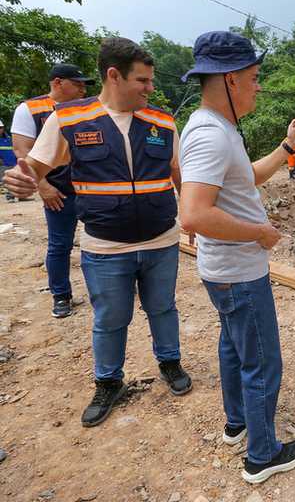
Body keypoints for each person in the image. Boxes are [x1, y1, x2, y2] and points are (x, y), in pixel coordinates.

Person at [3, 38, 192, 428]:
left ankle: (170, 363)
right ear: (113, 75)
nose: (150, 88)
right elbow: (35, 167)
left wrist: (192, 216)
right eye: (142, 80)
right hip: (105, 248)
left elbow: (178, 174)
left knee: (163, 308)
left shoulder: (162, 121)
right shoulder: (69, 119)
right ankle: (108, 382)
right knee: (110, 318)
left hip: (161, 242)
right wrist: (24, 181)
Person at [178, 31, 295, 485]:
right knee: (262, 361)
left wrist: (287, 149)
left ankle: (237, 423)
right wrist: (259, 232)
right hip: (238, 271)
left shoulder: (218, 128)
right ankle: (262, 454)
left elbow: (245, 179)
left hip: (225, 271)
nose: (259, 86)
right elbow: (194, 213)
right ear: (230, 80)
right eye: (254, 78)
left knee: (235, 347)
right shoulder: (210, 135)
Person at [10, 63, 94, 316]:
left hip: (90, 188)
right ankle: (61, 296)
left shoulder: (86, 109)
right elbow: (22, 151)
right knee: (60, 245)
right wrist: (43, 187)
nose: (82, 89)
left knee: (99, 241)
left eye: (84, 85)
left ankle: (108, 289)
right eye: (77, 83)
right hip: (58, 191)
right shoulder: (30, 109)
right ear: (57, 82)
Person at [0, 120, 17, 202]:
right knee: (7, 181)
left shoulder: (9, 139)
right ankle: (10, 197)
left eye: (1, 128)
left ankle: (21, 196)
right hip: (3, 165)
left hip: (13, 163)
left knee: (16, 180)